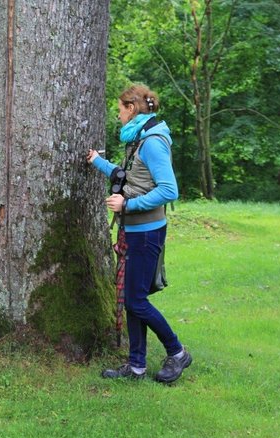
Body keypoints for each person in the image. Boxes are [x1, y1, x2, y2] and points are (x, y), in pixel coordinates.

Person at [87, 84, 191, 384]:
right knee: (134, 299)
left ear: (131, 108)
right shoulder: (138, 139)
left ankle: (177, 351)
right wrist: (98, 162)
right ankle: (136, 366)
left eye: (119, 109)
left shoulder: (153, 142)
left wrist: (128, 204)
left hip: (146, 233)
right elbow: (128, 177)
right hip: (134, 231)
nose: (117, 115)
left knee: (136, 302)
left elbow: (170, 190)